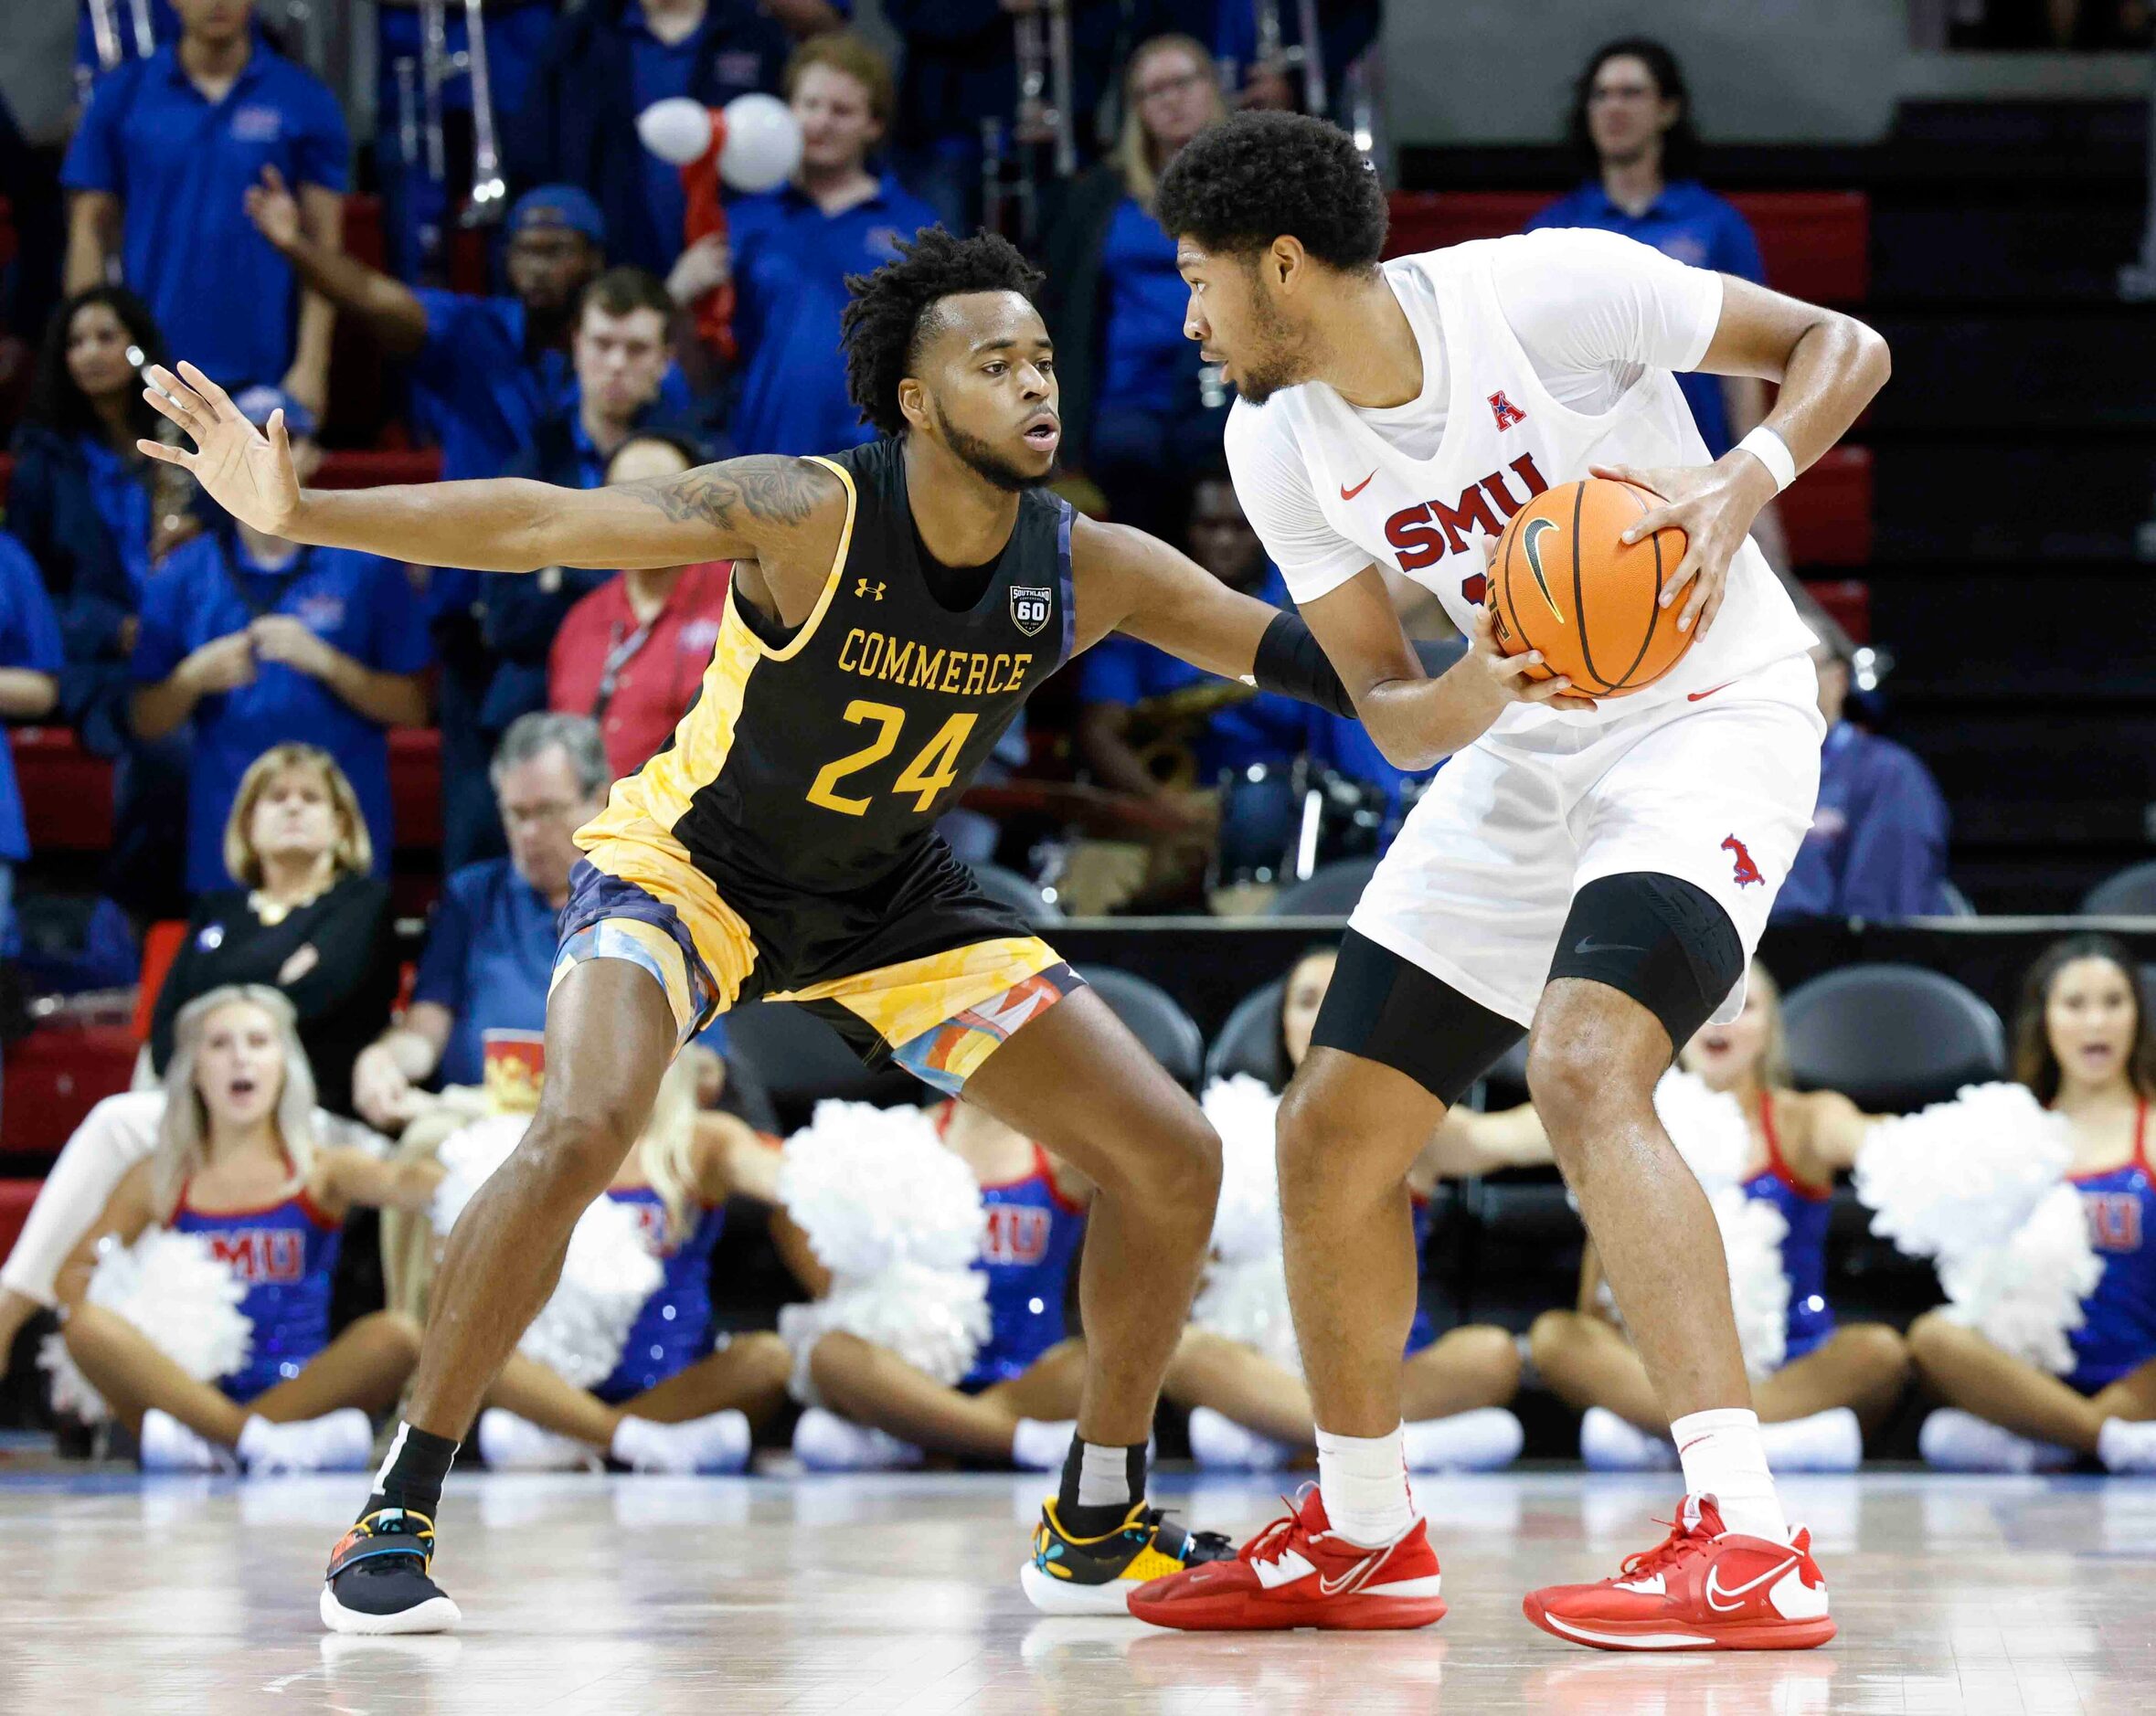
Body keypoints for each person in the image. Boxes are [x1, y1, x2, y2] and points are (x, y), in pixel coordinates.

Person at [143, 227, 1382, 1634]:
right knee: (582, 1124)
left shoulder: (1085, 563)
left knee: (1170, 1153)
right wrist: (305, 513)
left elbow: (1308, 655)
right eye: (994, 364)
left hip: (889, 898)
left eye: (1042, 360)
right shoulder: (805, 509)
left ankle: (1095, 1515)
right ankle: (399, 1500)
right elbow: (543, 520)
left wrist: (1499, 647)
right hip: (692, 866)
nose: (1035, 386)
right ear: (915, 400)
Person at [1138, 111, 1887, 1645]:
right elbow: (1395, 714)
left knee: (1581, 1061)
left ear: (1283, 265)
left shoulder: (1543, 292)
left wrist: (1734, 485)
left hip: (1708, 714)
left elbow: (1842, 345)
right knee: (1328, 1123)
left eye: (1199, 280)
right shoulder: (1270, 440)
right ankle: (1362, 1528)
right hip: (1521, 748)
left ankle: (1744, 1536)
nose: (1189, 317)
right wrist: (1494, 669)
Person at [1526, 962, 1909, 1471]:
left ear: (1771, 1026)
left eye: (1743, 1007)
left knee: (1878, 1351)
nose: (1720, 1022)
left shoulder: (1804, 1118)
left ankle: (1692, 1442)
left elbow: (1878, 1140)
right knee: (1557, 1338)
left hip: (1786, 1366)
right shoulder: (1622, 1127)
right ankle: (1762, 1446)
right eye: (1706, 1006)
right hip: (1655, 1371)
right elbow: (1595, 1293)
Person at [1171, 946, 1531, 1474]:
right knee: (1184, 1352)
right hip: (1264, 1368)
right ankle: (1397, 1453)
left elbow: (1515, 1137)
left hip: (1389, 1368)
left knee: (1493, 1354)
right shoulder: (1222, 1131)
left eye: (1339, 999)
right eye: (1306, 1001)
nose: (1321, 1017)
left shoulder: (1412, 1125)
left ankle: (1302, 1440)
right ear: (1281, 1024)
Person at [54, 986, 440, 1473]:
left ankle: (219, 1447)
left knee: (398, 1337)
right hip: (184, 1392)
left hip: (301, 1389)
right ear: (194, 1068)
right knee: (85, 1325)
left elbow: (401, 1181)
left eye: (258, 1042)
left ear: (285, 1064)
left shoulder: (320, 1169)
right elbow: (71, 1280)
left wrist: (454, 1170)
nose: (241, 1059)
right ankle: (262, 1445)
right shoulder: (161, 1177)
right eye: (219, 1045)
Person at [128, 386, 430, 896]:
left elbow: (416, 708)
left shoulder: (366, 566)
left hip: (345, 841)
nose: (262, 460)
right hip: (225, 844)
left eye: (281, 442)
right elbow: (143, 720)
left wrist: (329, 664)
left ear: (313, 455)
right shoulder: (183, 573)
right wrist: (192, 680)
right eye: (245, 445)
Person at [471, 1049, 795, 1476]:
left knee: (769, 1359)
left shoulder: (702, 1139)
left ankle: (572, 1441)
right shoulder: (541, 1146)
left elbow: (766, 1172)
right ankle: (641, 1442)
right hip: (557, 1380)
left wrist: (809, 1177)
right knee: (471, 1344)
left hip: (676, 1383)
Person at [1908, 937, 2156, 1474]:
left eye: (2114, 1002)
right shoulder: (2007, 1133)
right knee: (1933, 1338)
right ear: (2044, 1018)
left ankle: (2058, 1440)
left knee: (1950, 1439)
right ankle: (2106, 1443)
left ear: (2138, 1014)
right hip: (2029, 1379)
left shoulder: (2152, 1131)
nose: (2096, 1023)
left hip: (2142, 1378)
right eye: (2075, 1004)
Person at [471, 268, 693, 828]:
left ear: (666, 358)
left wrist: (562, 572)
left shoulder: (703, 464)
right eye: (602, 344)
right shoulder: (530, 464)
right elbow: (506, 619)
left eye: (636, 348)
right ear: (576, 346)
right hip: (536, 691)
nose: (617, 364)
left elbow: (704, 584)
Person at [61, 0, 347, 415]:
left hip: (265, 378)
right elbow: (88, 228)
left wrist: (312, 364)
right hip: (147, 372)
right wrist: (91, 348)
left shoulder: (305, 101)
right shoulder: (121, 97)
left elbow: (324, 244)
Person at [12, 286, 197, 917]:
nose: (89, 353)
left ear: (139, 345)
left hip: (186, 647)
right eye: (74, 341)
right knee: (167, 747)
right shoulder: (43, 458)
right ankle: (138, 917)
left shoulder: (182, 444)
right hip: (95, 664)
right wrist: (108, 626)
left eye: (106, 337)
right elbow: (25, 590)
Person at [792, 1097, 1093, 1473]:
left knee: (1107, 1360)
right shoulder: (903, 1137)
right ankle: (1021, 1443)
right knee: (830, 1353)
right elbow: (796, 1210)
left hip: (1029, 1382)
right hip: (908, 1378)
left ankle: (919, 1439)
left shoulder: (1068, 1148)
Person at [350, 714, 611, 1136]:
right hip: (471, 1130)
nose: (528, 833)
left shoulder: (645, 903)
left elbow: (702, 1069)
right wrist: (384, 1061)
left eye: (546, 811)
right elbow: (425, 1030)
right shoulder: (472, 895)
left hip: (596, 1137)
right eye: (514, 814)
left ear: (600, 800)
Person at [1525, 41, 1768, 471]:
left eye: (1631, 92)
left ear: (1668, 110)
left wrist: (1756, 486)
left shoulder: (1717, 224)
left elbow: (1744, 370)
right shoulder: (1551, 231)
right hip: (1590, 471)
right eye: (1601, 95)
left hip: (1698, 465)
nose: (1613, 107)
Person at [696, 32, 936, 458]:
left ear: (874, 124)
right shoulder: (745, 222)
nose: (821, 122)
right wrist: (683, 293)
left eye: (841, 111)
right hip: (760, 457)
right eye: (810, 105)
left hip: (876, 466)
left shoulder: (916, 230)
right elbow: (705, 357)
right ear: (789, 109)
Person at [145, 745, 401, 1121]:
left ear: (340, 825)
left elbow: (319, 997)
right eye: (277, 797)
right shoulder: (216, 910)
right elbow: (168, 1027)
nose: (293, 807)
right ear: (248, 824)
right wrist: (277, 979)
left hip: (317, 1109)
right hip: (202, 1106)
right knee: (116, 1120)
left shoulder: (362, 903)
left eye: (311, 797)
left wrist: (218, 1009)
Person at [1039, 33, 1227, 541]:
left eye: (1183, 82)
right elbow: (1057, 301)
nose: (1171, 98)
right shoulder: (1099, 195)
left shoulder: (1255, 180)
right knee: (1128, 452)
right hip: (1129, 393)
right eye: (1152, 91)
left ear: (1212, 86)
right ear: (1135, 109)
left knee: (1225, 450)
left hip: (1228, 379)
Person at [505, 0, 794, 277]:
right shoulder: (577, 38)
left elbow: (784, 156)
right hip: (608, 273)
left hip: (732, 267)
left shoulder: (756, 37)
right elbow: (536, 163)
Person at [548, 435, 734, 781]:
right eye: (625, 495)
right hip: (594, 829)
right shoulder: (581, 619)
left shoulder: (743, 605)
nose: (644, 512)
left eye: (664, 494)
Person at [1773, 633, 1953, 920]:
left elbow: (1883, 914)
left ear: (1839, 679)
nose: (1779, 684)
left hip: (1843, 957)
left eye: (1797, 667)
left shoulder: (1890, 775)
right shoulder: (1737, 775)